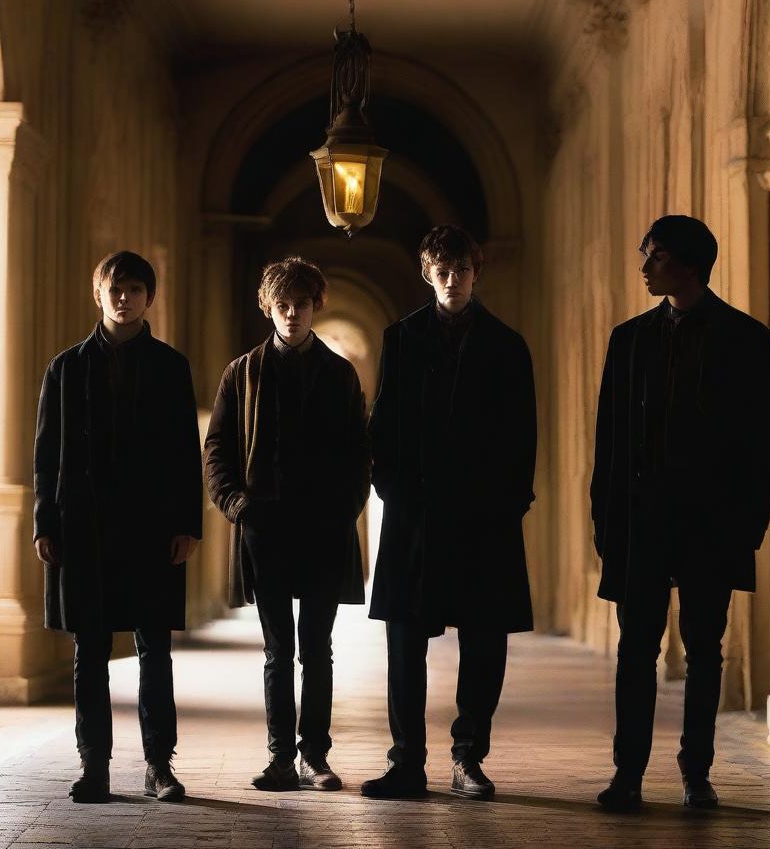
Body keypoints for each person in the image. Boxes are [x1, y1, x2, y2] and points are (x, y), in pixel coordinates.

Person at [591, 215, 770, 812]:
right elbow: (609, 442)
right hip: (643, 520)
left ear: (689, 264)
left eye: (655, 255)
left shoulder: (747, 339)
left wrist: (747, 528)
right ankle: (628, 774)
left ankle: (696, 772)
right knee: (635, 651)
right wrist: (607, 522)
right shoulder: (629, 340)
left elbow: (761, 440)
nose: (644, 266)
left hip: (710, 522)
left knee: (704, 650)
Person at [361, 225, 537, 801]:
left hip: (485, 516)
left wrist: (510, 501)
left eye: (460, 270)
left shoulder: (508, 346)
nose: (451, 280)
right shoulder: (402, 339)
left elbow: (522, 436)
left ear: (474, 272)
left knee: (484, 642)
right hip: (417, 513)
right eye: (441, 271)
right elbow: (383, 423)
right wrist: (391, 489)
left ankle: (468, 758)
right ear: (426, 273)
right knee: (406, 643)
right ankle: (408, 762)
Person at [33, 251, 202, 804]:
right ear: (97, 293)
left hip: (152, 529)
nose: (123, 297)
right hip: (85, 529)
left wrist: (187, 525)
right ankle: (94, 767)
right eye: (115, 287)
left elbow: (185, 453)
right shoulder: (65, 369)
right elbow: (45, 455)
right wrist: (45, 523)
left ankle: (159, 765)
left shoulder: (171, 368)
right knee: (90, 652)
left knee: (155, 649)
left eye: (134, 288)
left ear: (149, 297)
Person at [203, 256, 369, 792]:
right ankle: (280, 756)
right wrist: (237, 506)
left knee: (316, 648)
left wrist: (342, 513)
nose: (292, 313)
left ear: (315, 305)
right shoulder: (241, 373)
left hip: (323, 531)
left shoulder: (340, 374)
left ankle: (313, 757)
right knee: (279, 650)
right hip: (265, 530)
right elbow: (218, 449)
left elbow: (358, 455)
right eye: (282, 304)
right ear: (268, 307)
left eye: (300, 303)